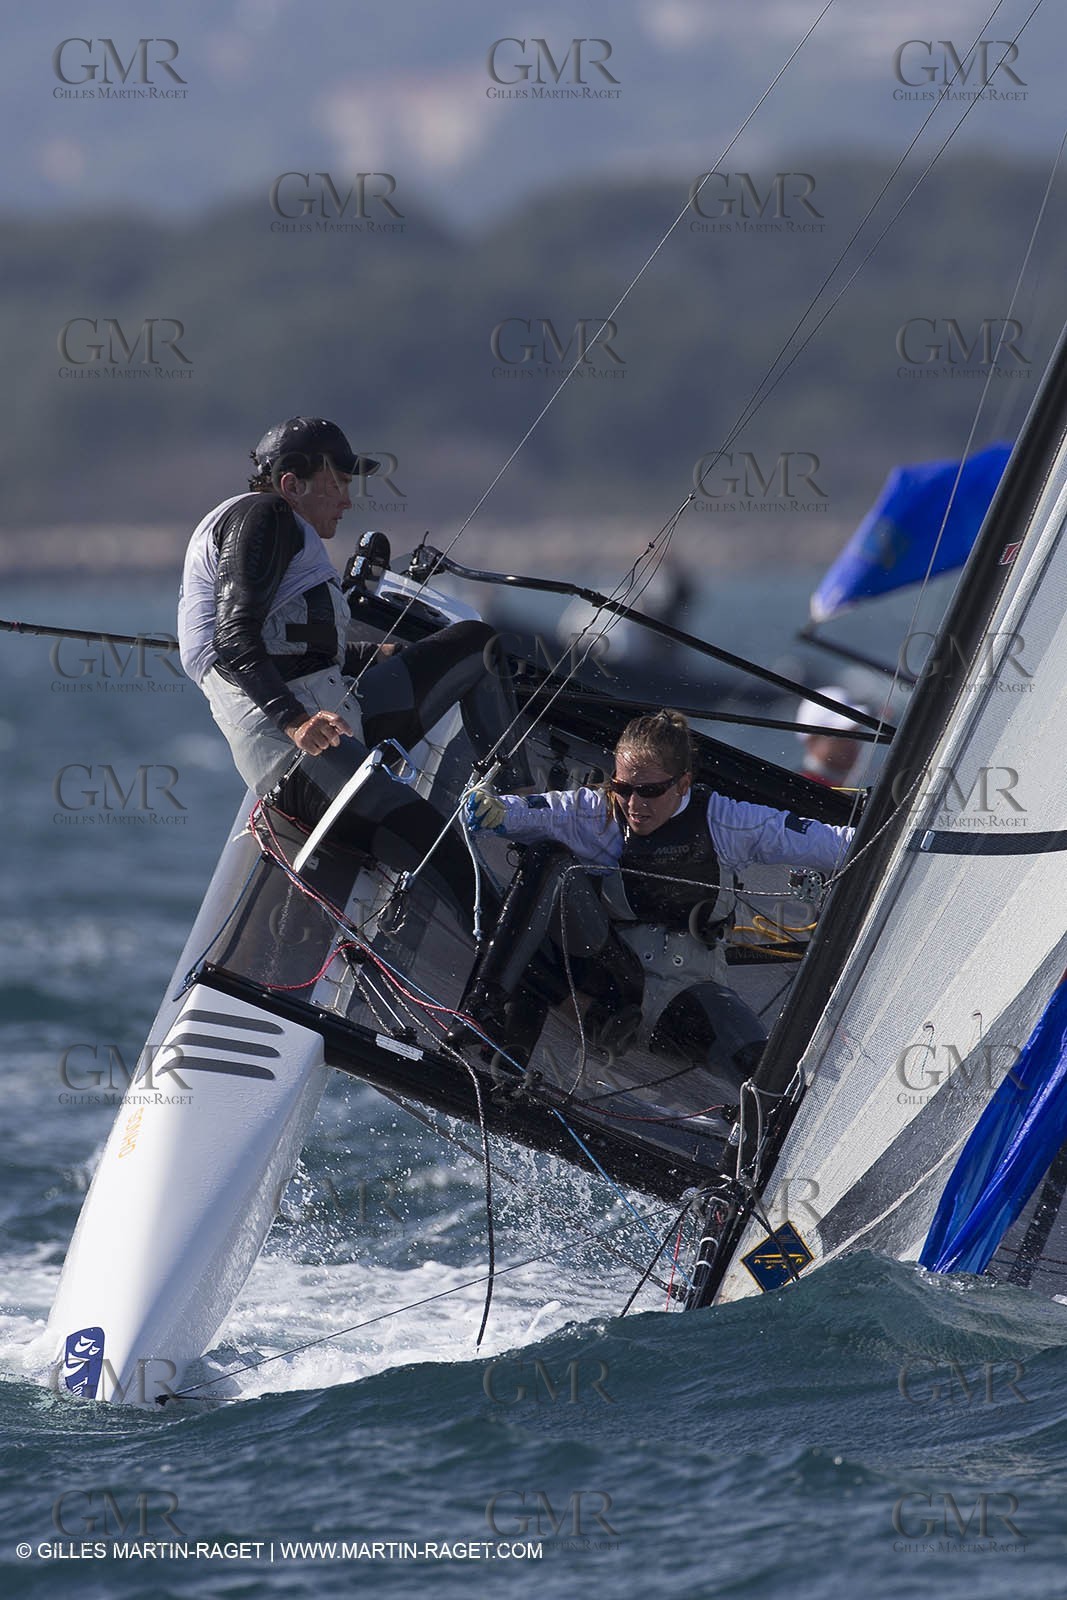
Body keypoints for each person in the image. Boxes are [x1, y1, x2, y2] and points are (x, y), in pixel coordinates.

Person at [177, 416, 527, 917]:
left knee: (477, 646)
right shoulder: (266, 515)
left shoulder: (278, 529)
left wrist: (378, 656)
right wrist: (294, 722)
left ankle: (520, 806)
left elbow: (290, 645)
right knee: (450, 860)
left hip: (341, 715)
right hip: (302, 759)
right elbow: (233, 638)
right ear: (291, 484)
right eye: (338, 483)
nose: (347, 499)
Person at [463, 709, 854, 1091]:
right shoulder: (592, 811)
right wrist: (488, 810)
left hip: (687, 990)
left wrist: (890, 834)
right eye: (623, 789)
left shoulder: (727, 821)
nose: (634, 805)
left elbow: (833, 844)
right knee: (546, 860)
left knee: (763, 1071)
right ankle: (484, 1017)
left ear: (683, 784)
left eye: (649, 791)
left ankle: (762, 1122)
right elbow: (517, 815)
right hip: (613, 978)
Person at [794, 686, 871, 788]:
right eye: (841, 735)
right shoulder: (799, 788)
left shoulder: (848, 786)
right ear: (812, 740)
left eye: (855, 732)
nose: (851, 742)